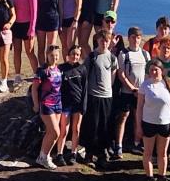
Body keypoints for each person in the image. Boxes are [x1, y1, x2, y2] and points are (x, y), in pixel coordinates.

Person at [136, 60, 170, 181]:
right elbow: (139, 107)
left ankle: (162, 178)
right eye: (151, 70)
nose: (154, 72)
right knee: (148, 153)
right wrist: (138, 126)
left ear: (162, 70)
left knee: (162, 153)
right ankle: (150, 179)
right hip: (148, 123)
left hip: (164, 124)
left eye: (156, 70)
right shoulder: (145, 85)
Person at [112, 26, 149, 159]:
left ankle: (136, 143)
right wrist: (132, 88)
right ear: (129, 38)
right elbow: (121, 74)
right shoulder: (123, 54)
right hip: (127, 92)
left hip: (141, 92)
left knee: (138, 117)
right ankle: (118, 146)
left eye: (138, 37)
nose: (136, 40)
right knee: (123, 117)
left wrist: (142, 90)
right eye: (133, 37)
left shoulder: (145, 54)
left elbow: (148, 73)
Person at [83, 32, 117, 170]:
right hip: (93, 96)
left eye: (107, 41)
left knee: (105, 125)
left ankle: (102, 153)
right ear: (97, 41)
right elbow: (85, 75)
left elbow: (113, 75)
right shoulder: (91, 57)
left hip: (107, 96)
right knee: (93, 125)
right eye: (102, 40)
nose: (104, 43)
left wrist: (108, 89)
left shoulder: (112, 57)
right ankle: (89, 153)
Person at [32, 44, 64, 169]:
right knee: (55, 132)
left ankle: (44, 156)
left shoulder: (59, 69)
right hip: (46, 104)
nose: (54, 58)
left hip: (58, 104)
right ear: (47, 55)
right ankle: (44, 157)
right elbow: (34, 89)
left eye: (56, 55)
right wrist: (36, 104)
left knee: (52, 132)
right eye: (52, 55)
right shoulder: (42, 71)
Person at [57, 44, 88, 164]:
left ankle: (73, 154)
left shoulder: (82, 69)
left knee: (76, 129)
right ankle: (59, 154)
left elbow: (85, 88)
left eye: (78, 55)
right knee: (63, 130)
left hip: (78, 104)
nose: (75, 57)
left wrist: (83, 106)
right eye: (73, 54)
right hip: (65, 105)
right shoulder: (61, 68)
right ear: (68, 55)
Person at [8, 0, 38, 83]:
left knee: (29, 51)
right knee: (17, 51)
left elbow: (34, 14)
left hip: (27, 25)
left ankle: (36, 74)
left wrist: (32, 29)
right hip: (16, 26)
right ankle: (17, 75)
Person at [34, 0, 62, 65]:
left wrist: (60, 24)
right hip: (40, 22)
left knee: (51, 48)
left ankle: (51, 68)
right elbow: (35, 8)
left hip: (53, 22)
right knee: (41, 48)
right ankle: (43, 68)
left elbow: (60, 9)